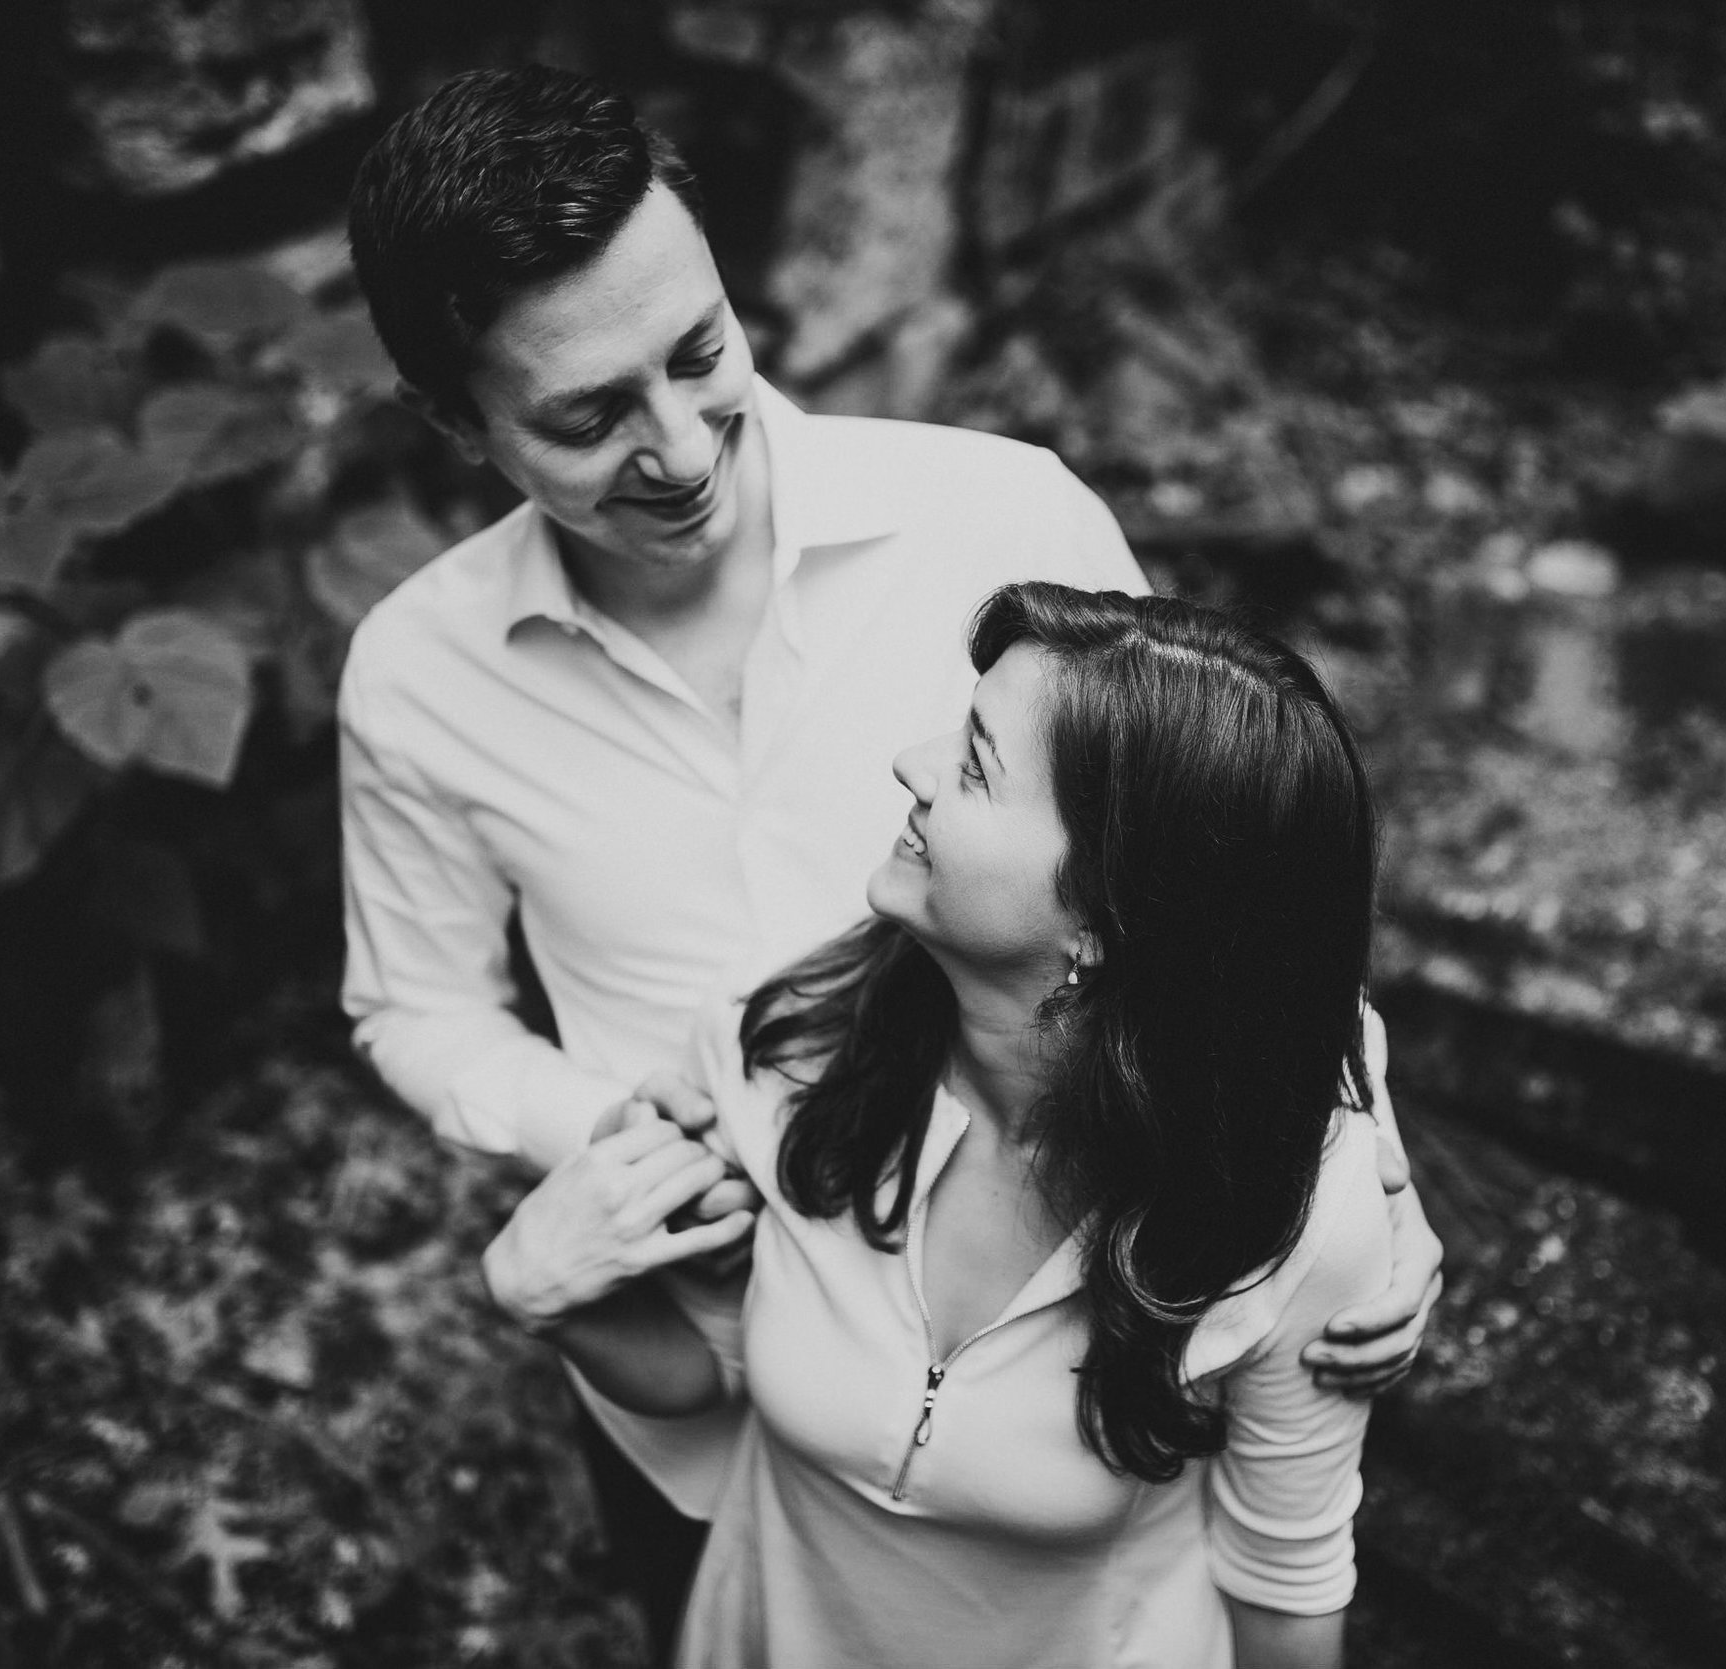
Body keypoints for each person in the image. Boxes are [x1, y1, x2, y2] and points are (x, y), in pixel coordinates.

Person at [338, 64, 1443, 1659]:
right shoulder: (416, 673)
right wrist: (637, 1146)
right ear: (453, 420)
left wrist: (1372, 1179)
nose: (679, 447)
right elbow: (413, 1007)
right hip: (687, 1322)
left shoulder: (999, 518)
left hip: (1062, 1307)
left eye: (701, 354)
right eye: (587, 417)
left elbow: (1222, 874)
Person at [486, 582, 1391, 1667]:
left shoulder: (1289, 1211)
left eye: (972, 765)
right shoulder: (785, 1051)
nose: (910, 764)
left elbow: (1284, 1588)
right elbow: (714, 1363)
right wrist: (547, 1297)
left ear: (1110, 919)